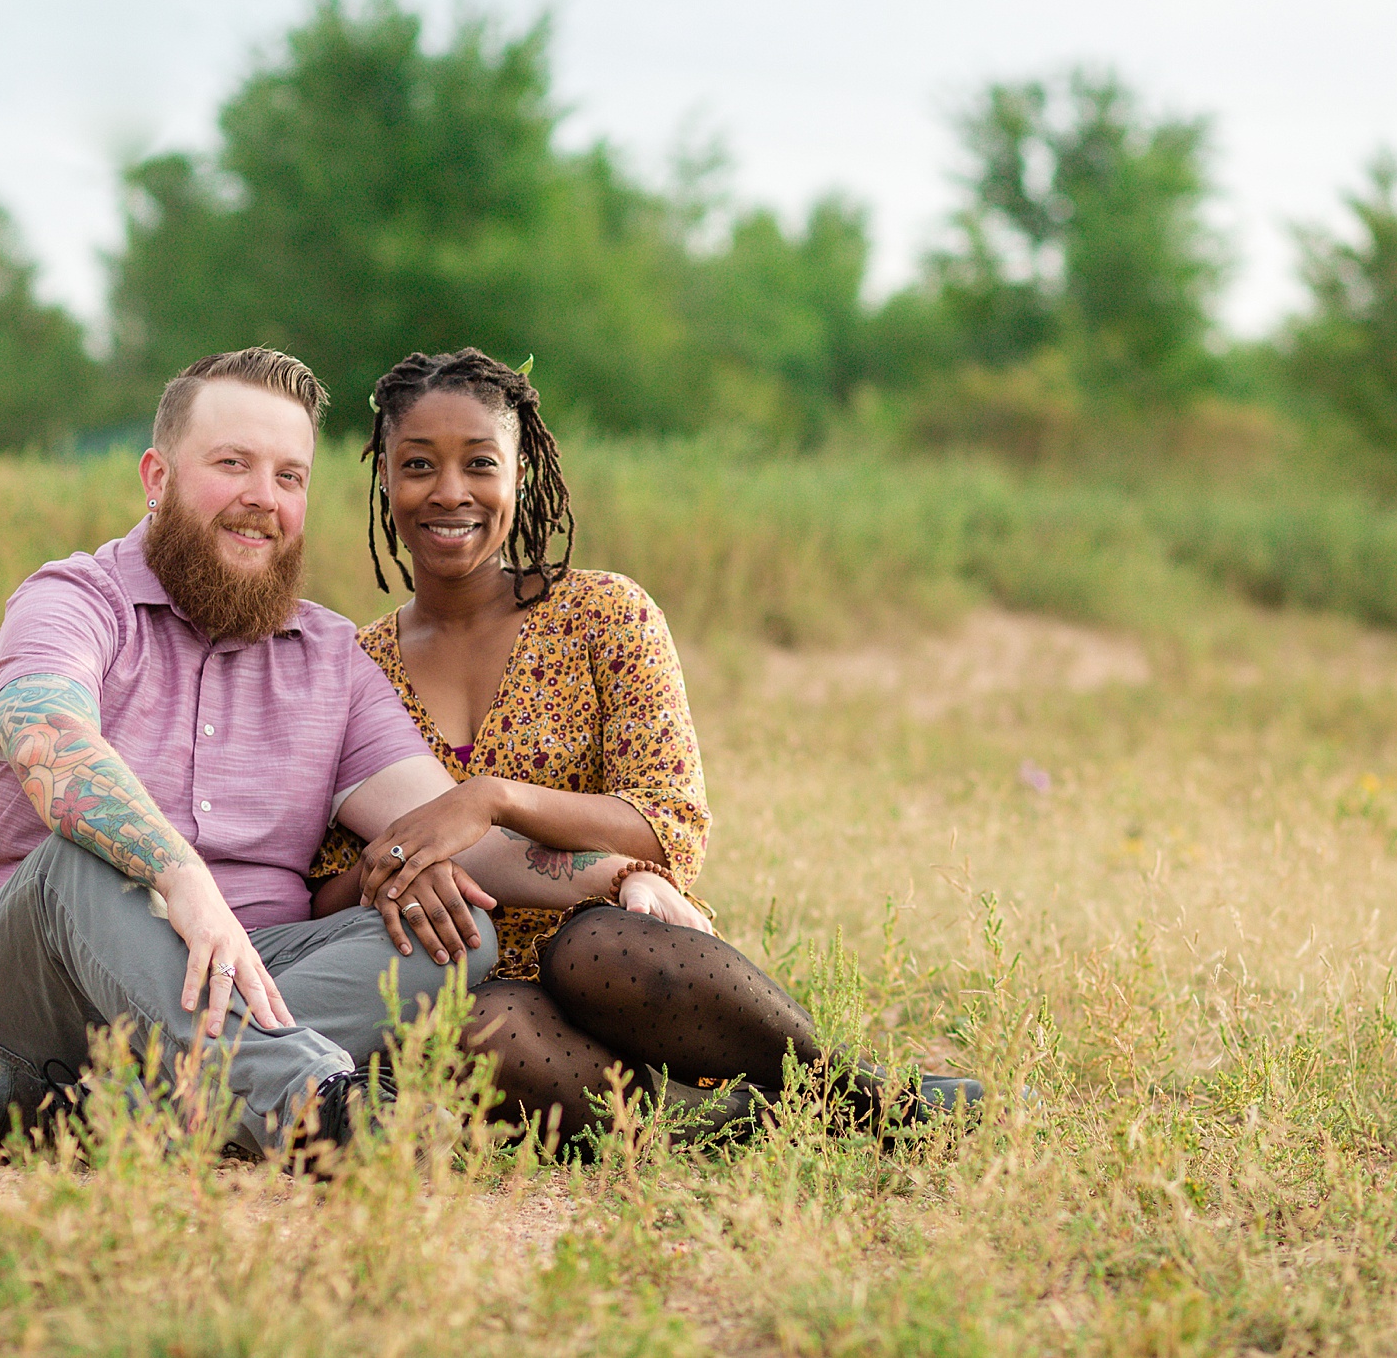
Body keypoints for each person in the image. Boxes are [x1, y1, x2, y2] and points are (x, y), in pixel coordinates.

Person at [0, 348, 698, 1153]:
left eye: (290, 476)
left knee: (457, 931)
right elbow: (52, 744)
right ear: (157, 477)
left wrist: (624, 874)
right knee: (81, 855)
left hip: (236, 983)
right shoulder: (74, 601)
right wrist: (179, 876)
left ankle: (132, 1107)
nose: (263, 498)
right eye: (232, 464)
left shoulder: (330, 656)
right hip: (29, 1008)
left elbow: (453, 833)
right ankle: (311, 1101)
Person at [310, 348, 983, 1150]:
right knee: (468, 1025)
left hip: (627, 953)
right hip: (478, 979)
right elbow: (321, 893)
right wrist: (401, 865)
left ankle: (853, 1090)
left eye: (479, 463)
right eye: (418, 465)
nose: (449, 492)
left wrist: (490, 796)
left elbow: (669, 826)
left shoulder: (605, 614)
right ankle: (731, 1125)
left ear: (520, 475)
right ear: (383, 477)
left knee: (593, 949)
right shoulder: (354, 663)